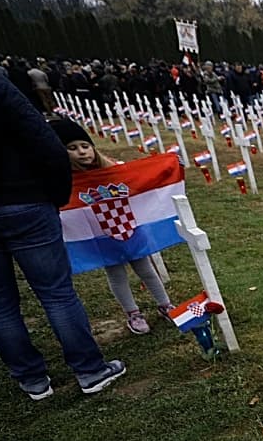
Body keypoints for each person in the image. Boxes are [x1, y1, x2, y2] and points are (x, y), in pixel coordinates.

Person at [0, 58, 124, 398]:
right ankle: (89, 370)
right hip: (21, 199)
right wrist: (56, 193)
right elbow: (40, 136)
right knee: (55, 291)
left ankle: (31, 378)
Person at [48, 117, 174, 336]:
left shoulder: (114, 169)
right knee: (116, 274)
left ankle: (165, 304)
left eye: (85, 146)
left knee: (145, 268)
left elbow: (139, 179)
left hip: (127, 228)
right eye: (72, 148)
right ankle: (133, 313)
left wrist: (167, 167)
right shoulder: (65, 181)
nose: (82, 152)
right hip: (100, 235)